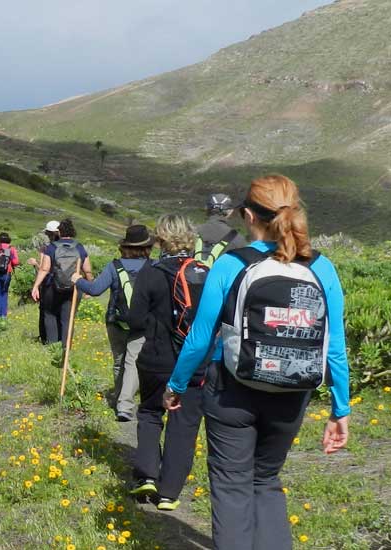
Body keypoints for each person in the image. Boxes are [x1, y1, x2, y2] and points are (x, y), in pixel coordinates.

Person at [165, 175, 350, 549]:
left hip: (232, 391)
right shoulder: (321, 268)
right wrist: (340, 408)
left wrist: (176, 385)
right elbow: (335, 347)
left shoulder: (232, 264)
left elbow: (201, 337)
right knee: (266, 481)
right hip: (292, 393)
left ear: (248, 215)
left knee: (232, 486)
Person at [118, 215, 206, 512]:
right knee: (183, 424)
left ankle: (147, 474)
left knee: (150, 413)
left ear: (160, 240)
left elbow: (136, 319)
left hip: (156, 358)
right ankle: (169, 493)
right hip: (193, 361)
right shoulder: (204, 273)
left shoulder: (150, 273)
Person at [72, 225, 152, 422]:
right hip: (143, 324)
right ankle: (125, 405)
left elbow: (95, 289)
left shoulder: (114, 266)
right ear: (146, 247)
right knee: (133, 363)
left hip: (116, 322)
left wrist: (78, 280)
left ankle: (119, 399)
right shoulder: (154, 266)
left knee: (119, 362)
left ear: (125, 246)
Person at [31, 219, 92, 345]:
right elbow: (88, 270)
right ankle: (66, 348)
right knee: (67, 318)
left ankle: (53, 347)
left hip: (52, 287)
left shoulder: (52, 248)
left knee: (50, 314)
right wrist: (89, 287)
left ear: (59, 232)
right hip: (73, 287)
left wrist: (36, 286)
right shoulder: (79, 247)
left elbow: (44, 268)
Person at [195, 193, 249, 267]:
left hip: (190, 277)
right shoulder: (239, 240)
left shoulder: (190, 234)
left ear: (207, 209)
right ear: (230, 212)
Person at [33, 221, 61, 341]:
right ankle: (62, 339)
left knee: (47, 312)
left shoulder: (47, 249)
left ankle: (47, 339)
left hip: (49, 284)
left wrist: (35, 264)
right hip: (66, 284)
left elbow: (44, 269)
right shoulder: (70, 247)